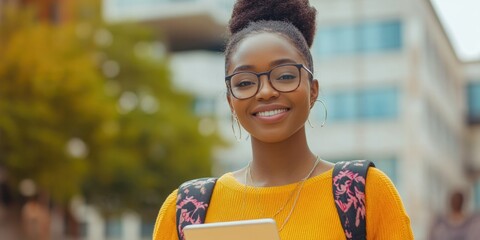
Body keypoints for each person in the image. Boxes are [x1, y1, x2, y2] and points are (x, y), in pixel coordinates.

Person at [153, 0, 413, 239]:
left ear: (313, 90)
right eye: (244, 82)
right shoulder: (186, 210)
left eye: (286, 76)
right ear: (230, 101)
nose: (266, 91)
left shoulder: (364, 193)